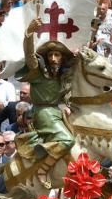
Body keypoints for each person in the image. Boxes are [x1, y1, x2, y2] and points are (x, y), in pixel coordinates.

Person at [16, 17, 75, 176]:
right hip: (43, 113)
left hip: (58, 112)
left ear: (62, 58)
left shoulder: (63, 76)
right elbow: (29, 55)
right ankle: (43, 170)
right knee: (68, 140)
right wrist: (29, 33)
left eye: (57, 55)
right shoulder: (39, 71)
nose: (53, 59)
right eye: (50, 55)